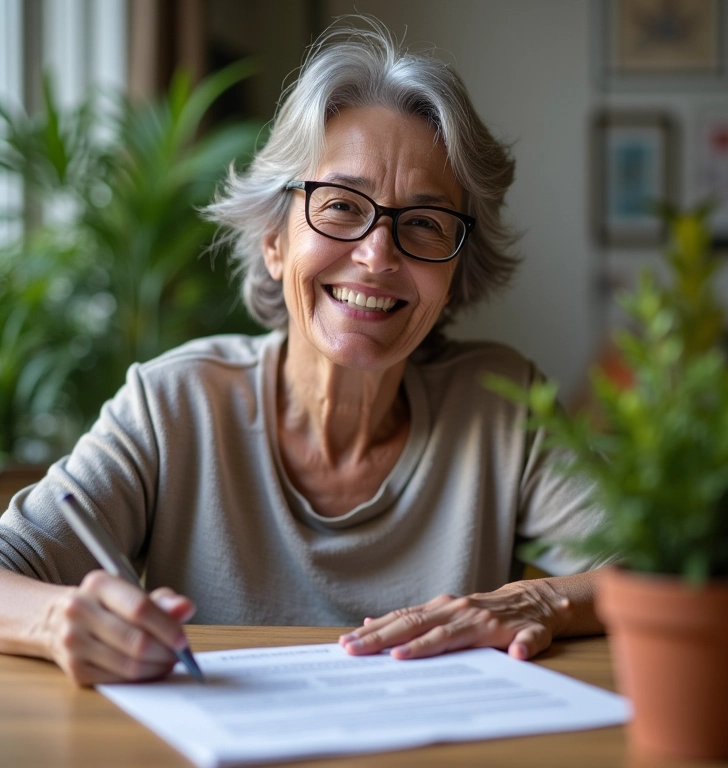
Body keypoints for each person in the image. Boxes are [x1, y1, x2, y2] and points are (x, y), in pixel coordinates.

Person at [0, 18, 607, 686]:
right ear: (274, 239)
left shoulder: (502, 406)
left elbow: (674, 570)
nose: (378, 256)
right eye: (342, 206)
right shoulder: (174, 404)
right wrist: (60, 620)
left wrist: (539, 597)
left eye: (426, 223)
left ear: (457, 269)